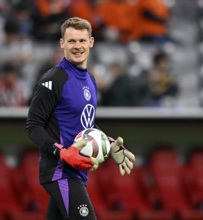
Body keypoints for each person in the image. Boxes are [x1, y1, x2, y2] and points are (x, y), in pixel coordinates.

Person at [26, 17, 135, 220]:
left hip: (77, 173)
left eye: (82, 41)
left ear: (91, 42)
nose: (77, 46)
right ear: (62, 43)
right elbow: (33, 125)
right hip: (60, 172)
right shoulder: (53, 79)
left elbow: (85, 124)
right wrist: (62, 153)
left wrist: (110, 145)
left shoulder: (90, 80)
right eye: (72, 41)